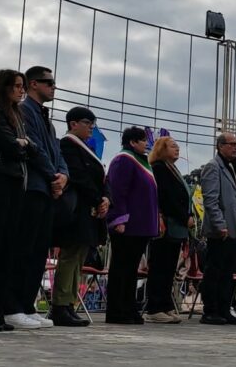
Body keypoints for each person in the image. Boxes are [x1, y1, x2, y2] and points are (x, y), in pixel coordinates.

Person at [4, 66, 68, 330]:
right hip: (33, 187)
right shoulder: (23, 111)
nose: (53, 86)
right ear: (32, 84)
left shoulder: (47, 118)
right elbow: (33, 148)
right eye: (48, 82)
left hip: (48, 189)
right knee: (23, 248)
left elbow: (56, 150)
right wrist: (54, 175)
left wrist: (63, 174)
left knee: (39, 251)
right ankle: (12, 307)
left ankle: (27, 305)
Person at [50, 107, 109, 327]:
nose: (91, 127)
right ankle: (61, 304)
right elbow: (78, 176)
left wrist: (105, 198)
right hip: (77, 210)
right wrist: (97, 198)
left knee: (78, 257)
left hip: (90, 210)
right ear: (73, 123)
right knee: (69, 256)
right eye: (87, 122)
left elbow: (101, 178)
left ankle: (69, 303)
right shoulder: (67, 144)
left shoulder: (86, 148)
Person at [105, 126, 159, 324]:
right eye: (143, 140)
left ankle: (129, 308)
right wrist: (119, 218)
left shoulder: (141, 161)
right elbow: (118, 191)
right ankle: (116, 310)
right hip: (128, 225)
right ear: (132, 142)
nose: (146, 143)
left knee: (131, 270)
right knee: (121, 269)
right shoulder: (123, 160)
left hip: (141, 225)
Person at [0, 69, 34, 332]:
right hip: (2, 181)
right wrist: (20, 144)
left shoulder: (18, 115)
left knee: (8, 248)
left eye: (23, 86)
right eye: (17, 86)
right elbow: (9, 145)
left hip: (16, 183)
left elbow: (28, 147)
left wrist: (23, 144)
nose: (21, 91)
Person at [200, 132, 236, 325]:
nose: (235, 147)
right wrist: (220, 224)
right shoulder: (214, 167)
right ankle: (210, 310)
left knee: (228, 272)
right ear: (220, 146)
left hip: (234, 229)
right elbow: (211, 199)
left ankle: (223, 308)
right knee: (215, 270)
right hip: (221, 230)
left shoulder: (231, 168)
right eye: (232, 144)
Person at [145, 136, 193, 324]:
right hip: (167, 224)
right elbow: (167, 197)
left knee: (169, 267)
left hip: (177, 226)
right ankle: (154, 307)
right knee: (160, 266)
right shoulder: (159, 169)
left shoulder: (172, 169)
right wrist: (184, 216)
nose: (177, 149)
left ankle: (165, 305)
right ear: (161, 149)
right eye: (173, 146)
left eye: (178, 146)